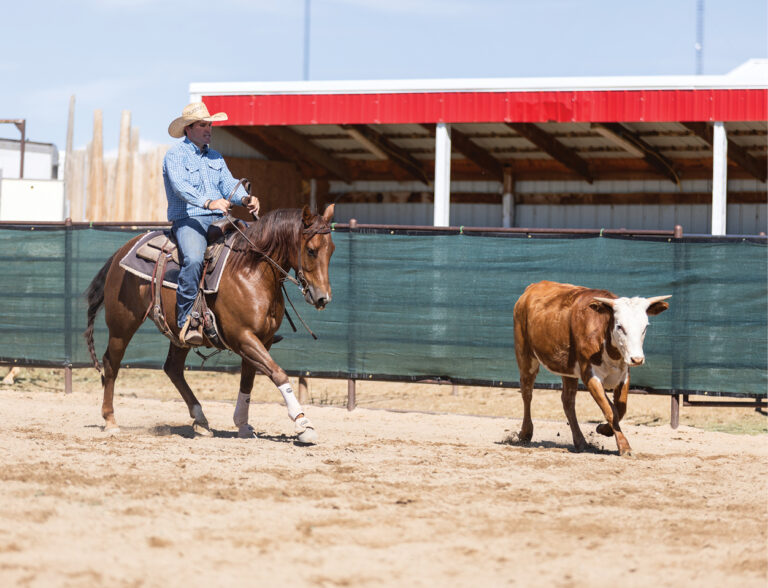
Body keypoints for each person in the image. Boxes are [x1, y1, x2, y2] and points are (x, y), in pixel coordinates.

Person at [163, 102, 260, 345]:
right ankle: (186, 320)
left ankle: (255, 318)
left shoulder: (216, 156)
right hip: (188, 219)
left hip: (219, 219)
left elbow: (228, 184)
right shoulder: (175, 155)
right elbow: (180, 187)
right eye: (203, 125)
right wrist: (209, 203)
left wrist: (245, 198)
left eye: (210, 125)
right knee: (194, 259)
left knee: (258, 245)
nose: (209, 129)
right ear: (188, 129)